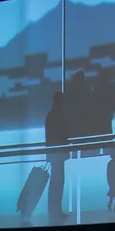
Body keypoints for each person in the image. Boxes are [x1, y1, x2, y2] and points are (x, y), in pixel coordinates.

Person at [43, 90, 70, 222]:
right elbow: (61, 136)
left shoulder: (51, 115)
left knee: (56, 182)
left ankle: (54, 210)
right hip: (58, 153)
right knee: (58, 182)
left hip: (54, 153)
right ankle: (55, 210)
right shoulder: (57, 116)